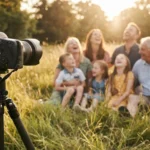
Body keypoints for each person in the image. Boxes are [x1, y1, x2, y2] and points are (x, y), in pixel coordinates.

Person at [48, 37, 92, 105]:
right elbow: (54, 83)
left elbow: (90, 80)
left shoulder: (86, 61)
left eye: (76, 42)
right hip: (62, 91)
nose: (74, 44)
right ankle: (40, 103)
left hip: (78, 91)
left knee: (73, 104)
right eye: (71, 43)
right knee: (55, 103)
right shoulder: (63, 63)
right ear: (68, 49)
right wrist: (68, 83)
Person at [127, 37, 150, 117]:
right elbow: (133, 82)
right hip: (145, 97)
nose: (139, 52)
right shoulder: (138, 64)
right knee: (132, 97)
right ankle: (131, 122)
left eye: (142, 49)